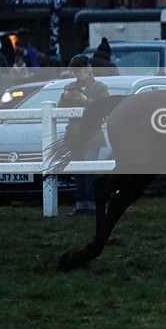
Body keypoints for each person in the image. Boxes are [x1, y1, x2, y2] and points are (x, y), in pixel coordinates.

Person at [58, 55, 109, 215]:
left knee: (90, 171)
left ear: (88, 69)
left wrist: (85, 99)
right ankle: (81, 205)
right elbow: (59, 109)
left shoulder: (100, 87)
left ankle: (94, 205)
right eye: (74, 71)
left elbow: (103, 108)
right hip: (74, 136)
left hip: (92, 135)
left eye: (78, 70)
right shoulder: (70, 87)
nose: (76, 74)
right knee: (78, 172)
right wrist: (64, 98)